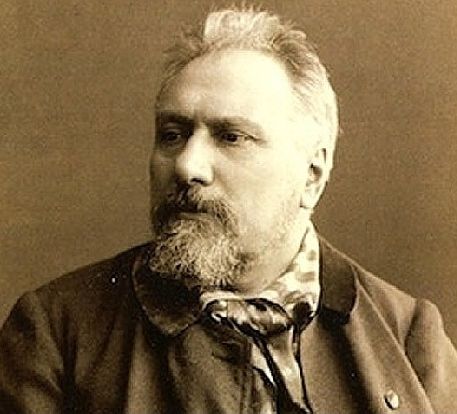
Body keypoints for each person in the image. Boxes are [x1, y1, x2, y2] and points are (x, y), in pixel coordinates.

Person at [1, 6, 456, 414]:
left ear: (312, 173)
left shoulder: (408, 335)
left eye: (231, 137)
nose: (187, 166)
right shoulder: (56, 332)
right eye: (173, 135)